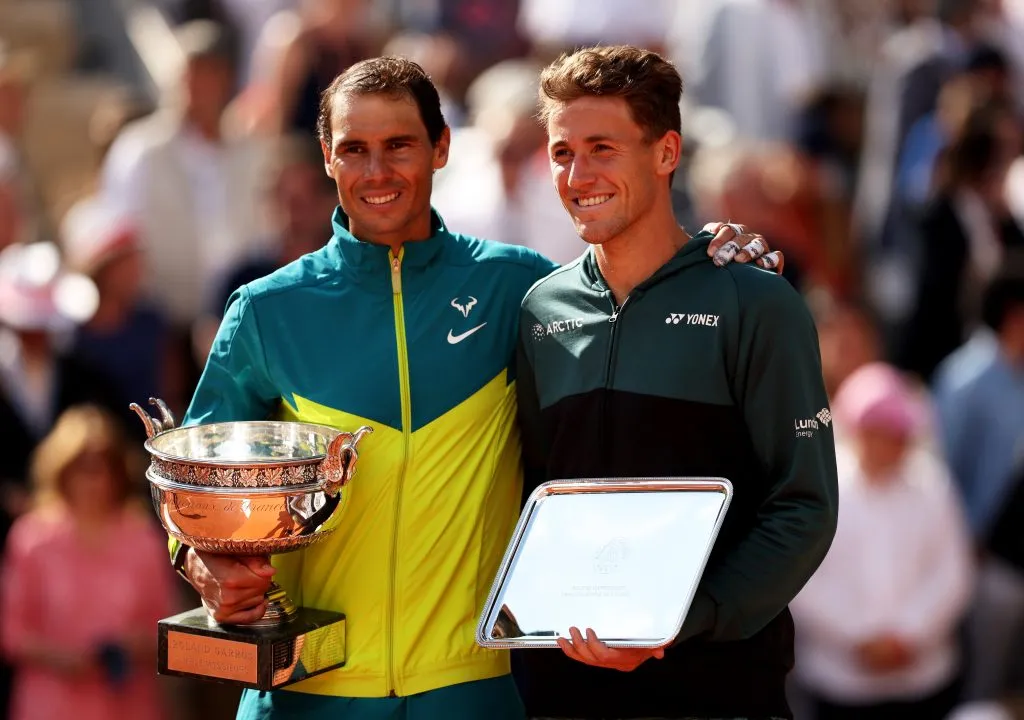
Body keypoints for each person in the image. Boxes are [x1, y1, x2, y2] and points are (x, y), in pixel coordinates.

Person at [172, 56, 780, 720]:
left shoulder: (519, 287)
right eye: (354, 150)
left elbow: (630, 285)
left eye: (399, 145)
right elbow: (192, 488)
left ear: (441, 148)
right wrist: (204, 566)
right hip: (305, 694)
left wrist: (711, 260)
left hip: (475, 691)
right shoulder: (265, 309)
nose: (377, 172)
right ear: (326, 158)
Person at [514, 45, 839, 719]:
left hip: (720, 684)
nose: (578, 174)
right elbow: (537, 496)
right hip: (562, 686)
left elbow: (803, 506)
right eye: (561, 151)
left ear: (666, 154)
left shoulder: (758, 303)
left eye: (603, 147)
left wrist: (686, 618)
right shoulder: (539, 311)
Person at [790, 362, 974, 720]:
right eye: (876, 430)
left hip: (923, 675)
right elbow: (802, 579)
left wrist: (910, 635)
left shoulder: (932, 484)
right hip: (838, 679)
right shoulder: (822, 488)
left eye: (895, 431)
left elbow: (953, 571)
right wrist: (858, 638)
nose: (887, 442)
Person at [0, 405, 176, 720]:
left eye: (102, 467)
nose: (92, 480)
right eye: (82, 468)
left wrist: (131, 645)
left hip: (128, 705)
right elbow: (10, 632)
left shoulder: (144, 540)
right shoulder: (31, 538)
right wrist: (60, 658)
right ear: (61, 470)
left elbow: (169, 630)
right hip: (49, 705)